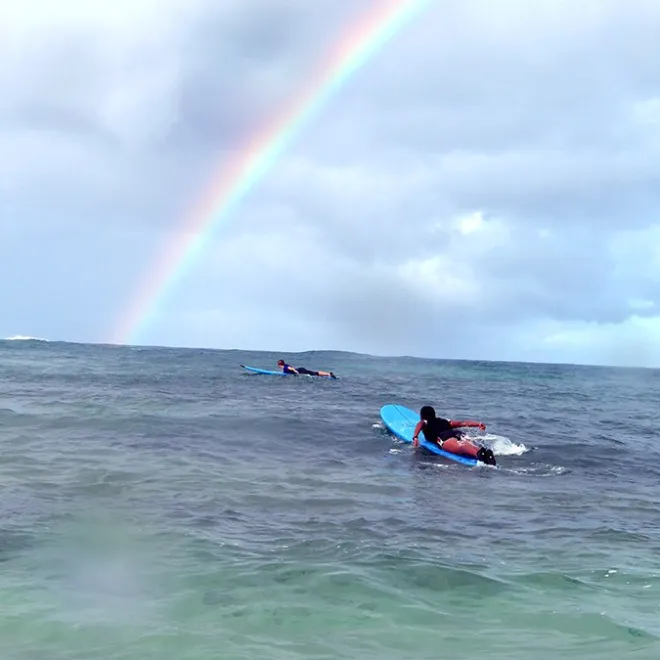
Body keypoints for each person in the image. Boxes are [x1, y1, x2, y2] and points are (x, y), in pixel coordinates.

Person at [412, 405, 496, 466]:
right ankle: (483, 452)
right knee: (466, 442)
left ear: (422, 416)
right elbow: (462, 423)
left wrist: (415, 437)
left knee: (461, 446)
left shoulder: (425, 422)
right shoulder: (445, 421)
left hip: (444, 437)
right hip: (457, 433)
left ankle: (478, 453)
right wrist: (478, 424)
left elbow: (420, 424)